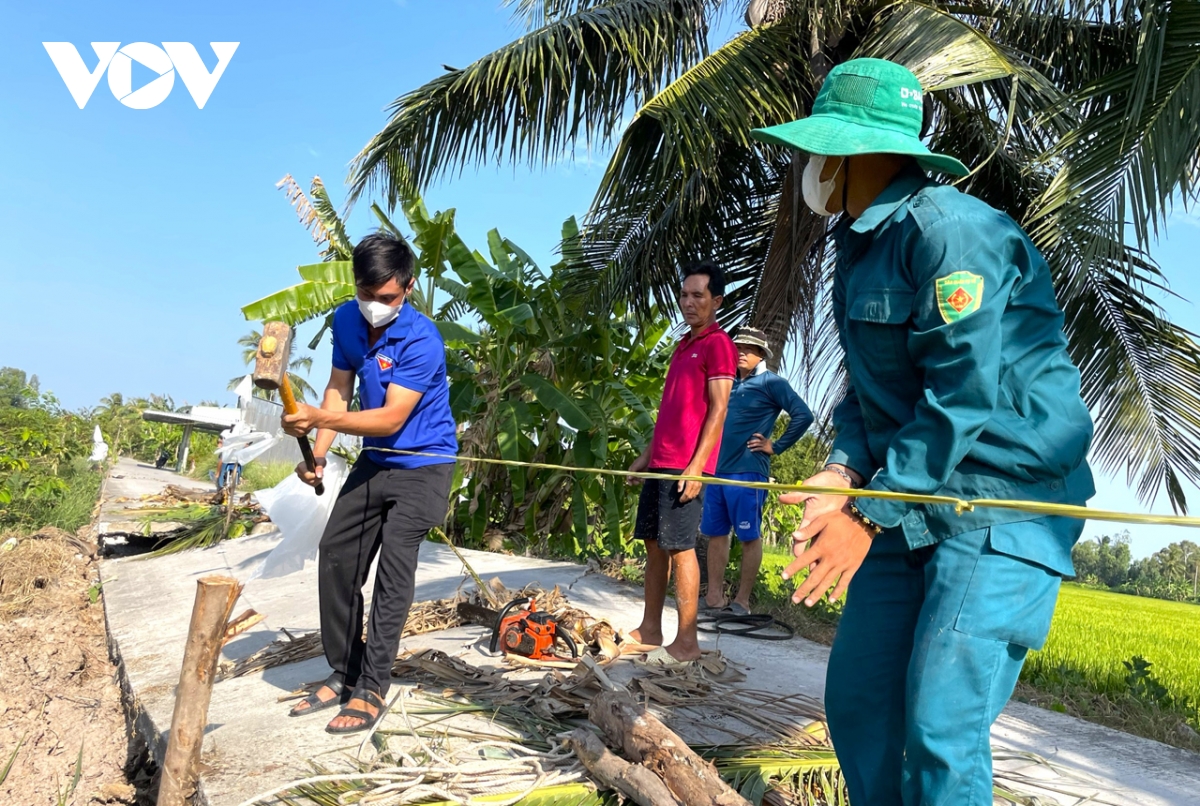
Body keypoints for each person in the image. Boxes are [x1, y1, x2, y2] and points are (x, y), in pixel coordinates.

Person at [749, 58, 1095, 805]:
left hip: (1001, 508)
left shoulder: (954, 235)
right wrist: (841, 471)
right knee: (861, 704)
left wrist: (869, 513)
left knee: (939, 724)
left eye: (818, 149)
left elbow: (961, 395)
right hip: (913, 499)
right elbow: (868, 393)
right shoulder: (858, 247)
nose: (809, 165)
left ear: (853, 152)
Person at [281, 232, 458, 734]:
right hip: (375, 462)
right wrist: (315, 453)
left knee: (393, 570)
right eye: (366, 295)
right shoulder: (344, 319)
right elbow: (339, 390)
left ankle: (374, 685)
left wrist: (317, 416)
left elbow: (390, 418)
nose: (374, 307)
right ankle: (346, 669)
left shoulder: (423, 339)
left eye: (387, 298)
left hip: (424, 464)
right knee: (336, 556)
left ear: (408, 287)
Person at [625, 260, 737, 664]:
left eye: (698, 296)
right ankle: (650, 629)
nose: (689, 303)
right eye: (684, 295)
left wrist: (696, 466)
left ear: (716, 301)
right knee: (654, 544)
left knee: (680, 547)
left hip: (686, 466)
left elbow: (719, 409)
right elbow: (671, 411)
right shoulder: (682, 346)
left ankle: (687, 643)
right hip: (662, 461)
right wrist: (645, 457)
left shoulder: (718, 344)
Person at [699, 326, 812, 616]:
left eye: (748, 349)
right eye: (737, 347)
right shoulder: (727, 383)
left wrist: (777, 446)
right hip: (716, 472)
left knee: (749, 537)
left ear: (761, 354)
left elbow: (803, 414)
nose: (740, 353)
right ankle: (713, 598)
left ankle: (742, 602)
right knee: (716, 534)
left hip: (748, 473)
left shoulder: (772, 383)